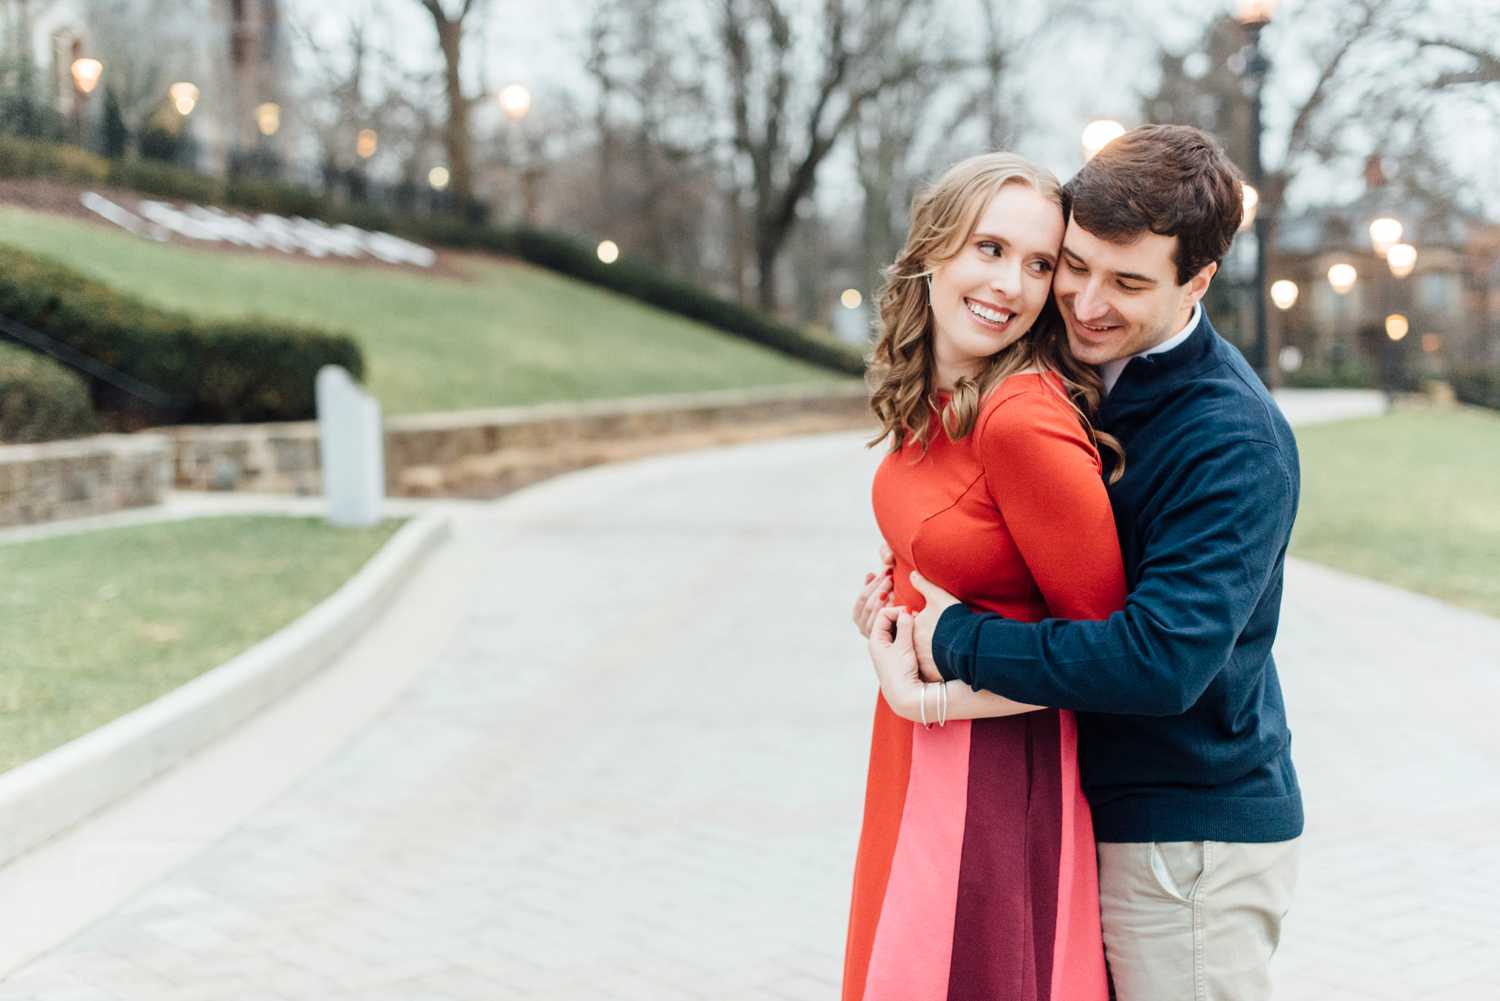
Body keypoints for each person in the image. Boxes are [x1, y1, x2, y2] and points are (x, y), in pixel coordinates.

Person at [876, 125, 1304, 1001]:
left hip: (1187, 842)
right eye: (1074, 264)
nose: (1085, 302)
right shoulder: (1070, 369)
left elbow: (1160, 661)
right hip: (1083, 800)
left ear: (1199, 280)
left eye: (1130, 283)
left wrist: (952, 642)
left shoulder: (1233, 438)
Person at [843, 151, 1127, 1001]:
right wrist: (887, 602)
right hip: (916, 749)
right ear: (934, 250)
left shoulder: (1021, 416)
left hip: (995, 774)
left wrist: (930, 695)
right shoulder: (941, 392)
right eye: (990, 248)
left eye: (1039, 263)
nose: (1011, 283)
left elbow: (1104, 649)